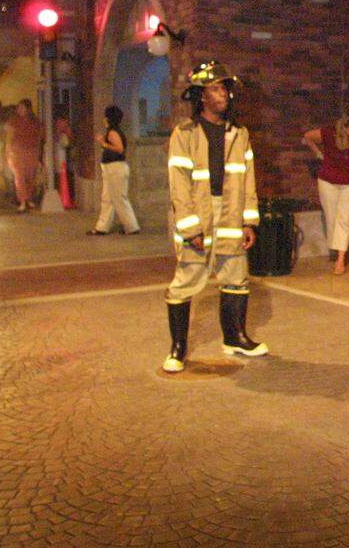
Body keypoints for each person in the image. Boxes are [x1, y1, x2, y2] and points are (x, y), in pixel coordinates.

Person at [162, 61, 267, 373]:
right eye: (216, 89)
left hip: (232, 213)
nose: (224, 94)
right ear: (201, 97)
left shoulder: (240, 134)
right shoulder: (184, 134)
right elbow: (178, 184)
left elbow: (248, 179)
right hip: (200, 213)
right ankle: (178, 348)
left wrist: (250, 221)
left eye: (225, 88)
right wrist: (190, 226)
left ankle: (234, 338)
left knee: (236, 276)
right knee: (186, 279)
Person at [303, 114, 349, 275]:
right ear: (345, 127)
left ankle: (340, 259)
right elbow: (308, 136)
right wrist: (318, 154)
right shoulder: (329, 134)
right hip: (328, 181)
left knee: (345, 218)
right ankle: (336, 249)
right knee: (331, 217)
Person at [87, 105, 139, 235]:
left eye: (105, 116)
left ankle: (131, 226)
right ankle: (102, 227)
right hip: (111, 168)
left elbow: (119, 148)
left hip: (115, 168)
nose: (103, 119)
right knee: (107, 198)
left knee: (119, 198)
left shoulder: (113, 132)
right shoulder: (113, 131)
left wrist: (103, 143)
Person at [5, 100, 43, 211]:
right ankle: (22, 201)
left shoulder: (35, 122)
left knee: (30, 176)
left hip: (32, 151)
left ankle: (29, 198)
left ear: (28, 109)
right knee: (19, 176)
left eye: (22, 107)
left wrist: (39, 152)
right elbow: (9, 136)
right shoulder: (14, 121)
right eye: (19, 107)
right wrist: (8, 151)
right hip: (18, 151)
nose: (20, 110)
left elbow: (39, 137)